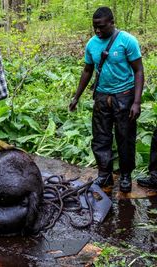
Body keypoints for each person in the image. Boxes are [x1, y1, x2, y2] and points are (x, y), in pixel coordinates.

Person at [69, 7, 144, 193]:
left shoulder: (127, 41)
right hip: (102, 97)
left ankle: (126, 175)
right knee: (101, 137)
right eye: (95, 27)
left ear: (111, 22)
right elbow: (87, 70)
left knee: (125, 138)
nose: (97, 31)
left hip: (124, 96)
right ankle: (105, 174)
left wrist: (136, 102)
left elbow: (139, 70)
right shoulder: (92, 44)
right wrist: (76, 96)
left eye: (101, 27)